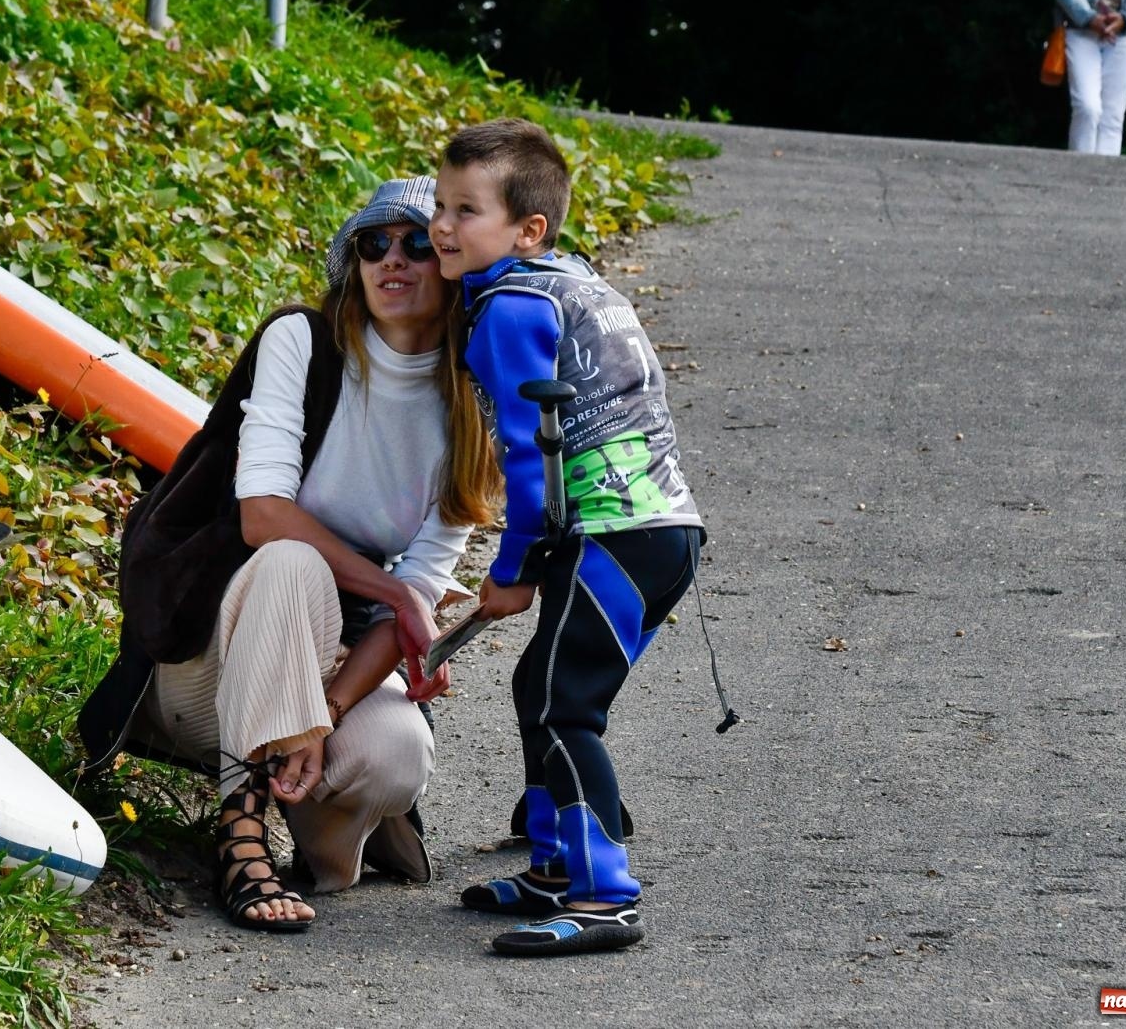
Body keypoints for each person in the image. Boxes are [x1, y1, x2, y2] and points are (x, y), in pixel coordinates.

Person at [76, 177, 498, 932]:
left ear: (456, 268)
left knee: (397, 755)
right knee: (293, 561)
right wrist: (395, 593)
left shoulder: (469, 410)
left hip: (319, 669)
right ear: (354, 263)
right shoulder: (302, 343)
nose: (391, 258)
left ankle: (304, 824)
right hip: (205, 659)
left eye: (417, 244)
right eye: (373, 243)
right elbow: (265, 516)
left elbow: (422, 589)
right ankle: (242, 838)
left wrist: (326, 713)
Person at [428, 119, 705, 956]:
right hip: (661, 531)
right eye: (440, 203)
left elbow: (530, 457)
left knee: (560, 705)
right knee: (544, 691)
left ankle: (602, 895)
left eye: (465, 211)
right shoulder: (572, 283)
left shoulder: (509, 309)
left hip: (614, 535)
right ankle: (556, 865)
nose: (441, 226)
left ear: (527, 230)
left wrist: (512, 570)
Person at [1048, 0, 1126, 154]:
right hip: (1080, 30)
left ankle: (1105, 181)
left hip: (1123, 35)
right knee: (1087, 107)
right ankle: (1079, 173)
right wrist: (1087, 17)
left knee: (1112, 118)